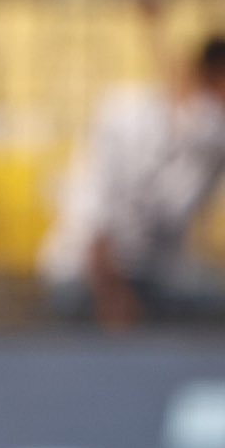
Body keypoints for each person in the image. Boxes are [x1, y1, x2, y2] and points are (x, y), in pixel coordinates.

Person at [39, 36, 225, 327]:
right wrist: (112, 295)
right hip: (88, 277)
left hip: (156, 277)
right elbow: (92, 219)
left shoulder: (209, 144)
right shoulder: (126, 116)